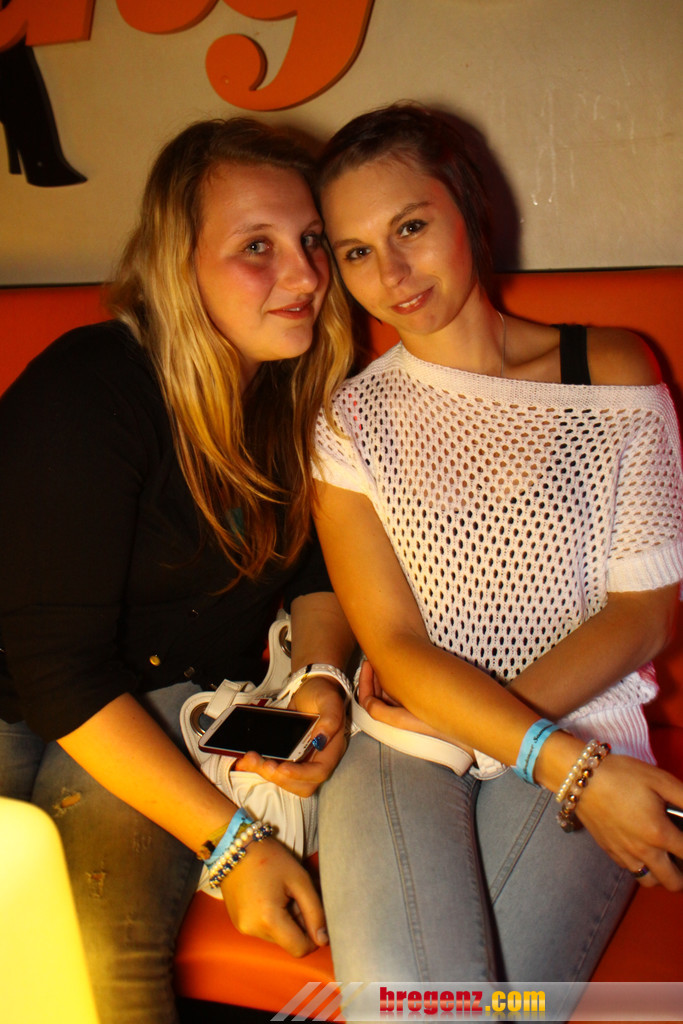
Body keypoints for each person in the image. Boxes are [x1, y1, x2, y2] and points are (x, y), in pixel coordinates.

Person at [311, 102, 683, 1002]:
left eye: (410, 227)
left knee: (449, 1005)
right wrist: (558, 766)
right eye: (356, 251)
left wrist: (507, 735)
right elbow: (392, 643)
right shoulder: (348, 419)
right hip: (403, 742)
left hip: (580, 716)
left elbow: (643, 615)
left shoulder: (609, 369)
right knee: (410, 996)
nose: (390, 273)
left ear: (467, 208)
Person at [0, 117, 356, 1024]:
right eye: (257, 247)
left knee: (105, 959)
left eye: (313, 240)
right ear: (177, 265)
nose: (307, 275)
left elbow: (318, 565)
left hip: (162, 703)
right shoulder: (90, 390)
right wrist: (233, 846)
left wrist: (319, 679)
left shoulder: (298, 390)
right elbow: (55, 668)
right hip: (25, 693)